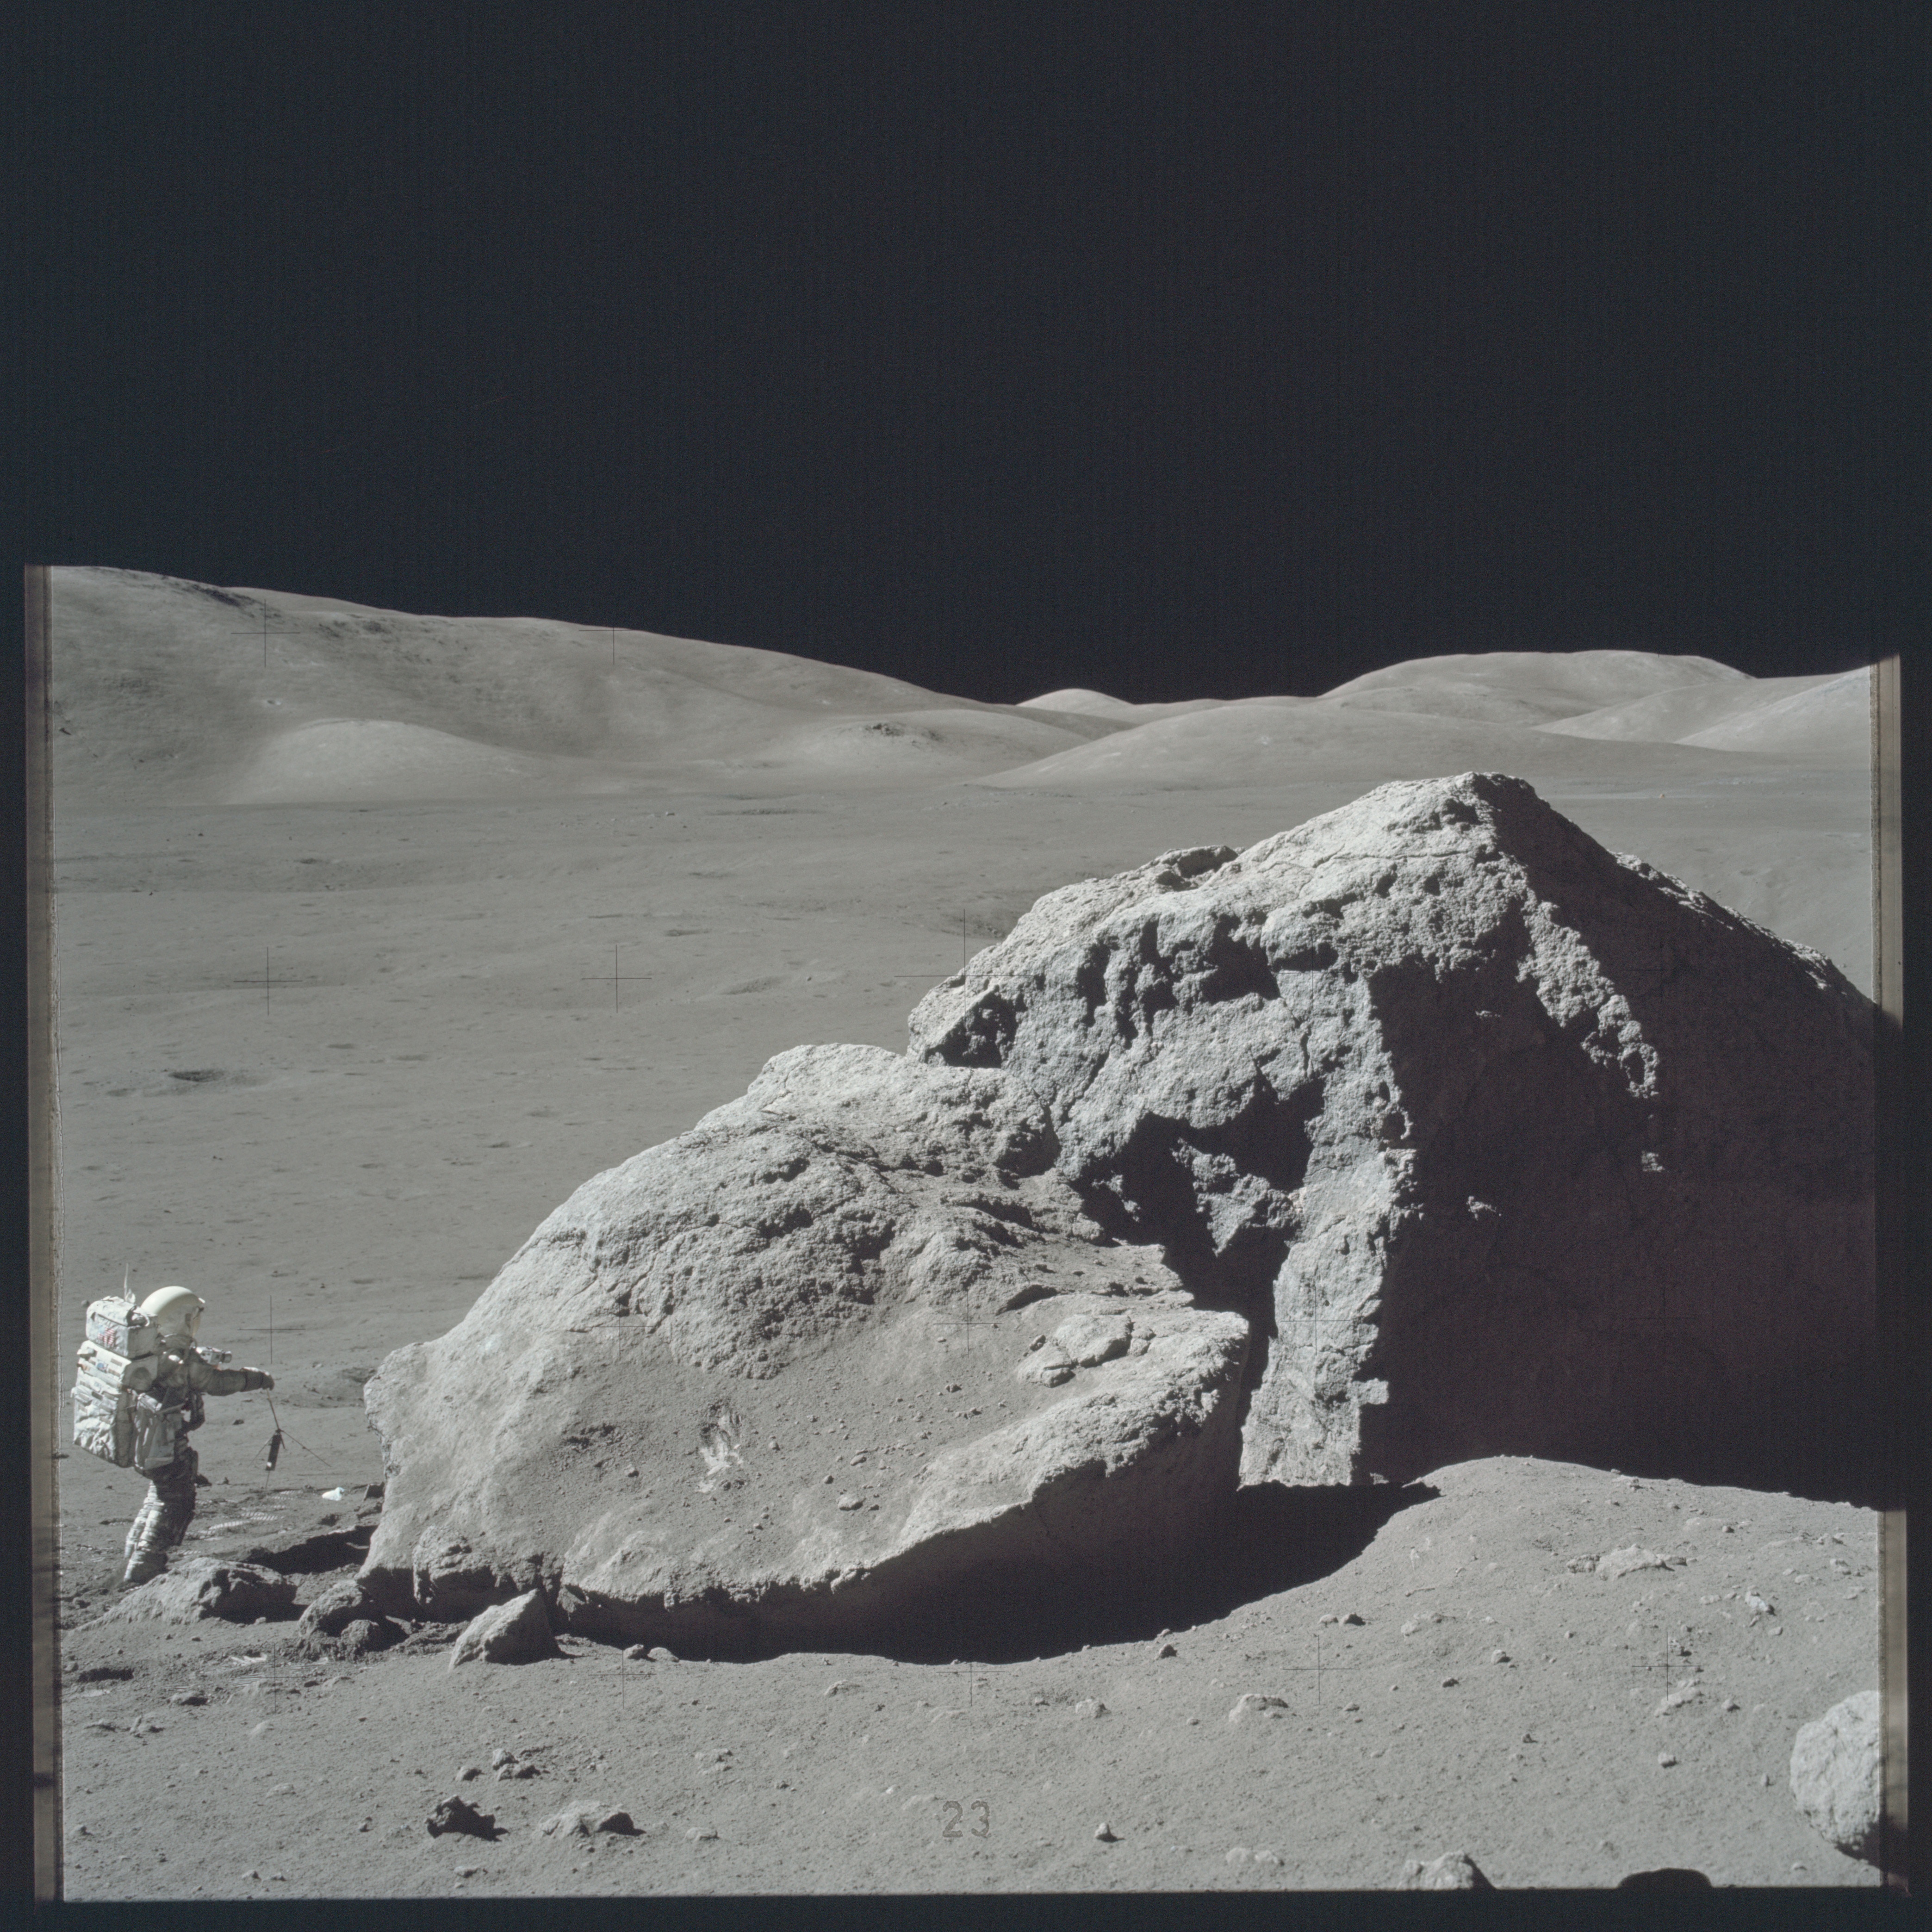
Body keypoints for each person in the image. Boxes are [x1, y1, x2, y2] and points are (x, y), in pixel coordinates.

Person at [120, 1286, 274, 1589]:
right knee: (176, 1501)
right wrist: (255, 1378)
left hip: (141, 1442)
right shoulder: (179, 1359)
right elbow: (216, 1382)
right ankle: (144, 1567)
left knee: (160, 1495)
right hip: (163, 1445)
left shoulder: (147, 1350)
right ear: (184, 1318)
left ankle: (133, 1556)